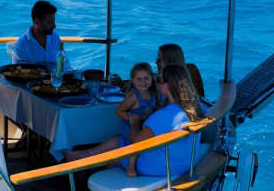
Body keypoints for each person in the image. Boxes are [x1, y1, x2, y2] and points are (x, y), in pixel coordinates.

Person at [64, 65, 206, 179]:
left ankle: (86, 173)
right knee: (117, 141)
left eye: (160, 80)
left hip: (160, 167)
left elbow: (136, 140)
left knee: (110, 159)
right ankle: (84, 154)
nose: (158, 83)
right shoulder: (192, 109)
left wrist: (134, 123)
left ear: (168, 85)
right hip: (181, 162)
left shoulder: (166, 115)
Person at [156, 42, 236, 120]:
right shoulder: (154, 79)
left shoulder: (188, 74)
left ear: (170, 61)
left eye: (159, 60)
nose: (156, 62)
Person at [116, 62, 160, 137]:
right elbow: (119, 111)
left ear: (152, 78)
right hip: (131, 131)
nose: (143, 82)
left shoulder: (153, 94)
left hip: (144, 128)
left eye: (146, 78)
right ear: (133, 80)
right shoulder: (134, 96)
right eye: (138, 79)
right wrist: (132, 120)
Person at [12, 0, 60, 65]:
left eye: (53, 21)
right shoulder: (21, 45)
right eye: (49, 22)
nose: (54, 25)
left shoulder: (55, 38)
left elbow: (65, 65)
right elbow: (19, 71)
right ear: (36, 21)